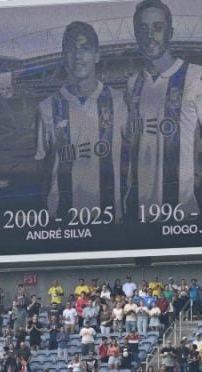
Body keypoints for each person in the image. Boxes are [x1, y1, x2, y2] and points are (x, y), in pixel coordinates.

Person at [125, 0, 202, 215]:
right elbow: (135, 142)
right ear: (135, 35)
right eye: (143, 29)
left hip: (185, 211)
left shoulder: (197, 75)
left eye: (157, 28)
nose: (149, 35)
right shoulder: (133, 83)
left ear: (170, 33)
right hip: (143, 211)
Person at [35, 21, 127, 222]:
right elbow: (42, 172)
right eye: (71, 49)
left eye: (85, 49)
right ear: (63, 56)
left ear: (97, 55)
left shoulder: (120, 102)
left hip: (111, 222)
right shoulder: (46, 108)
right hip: (63, 225)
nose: (77, 56)